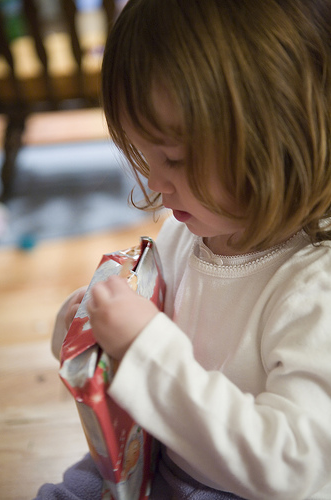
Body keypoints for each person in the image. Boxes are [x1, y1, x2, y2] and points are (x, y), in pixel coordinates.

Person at [35, 0, 331, 499]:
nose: (154, 181)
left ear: (281, 136)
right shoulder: (187, 232)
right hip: (163, 456)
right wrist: (91, 335)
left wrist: (146, 350)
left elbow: (297, 468)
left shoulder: (313, 287)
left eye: (173, 158)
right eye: (143, 154)